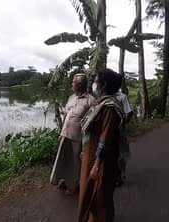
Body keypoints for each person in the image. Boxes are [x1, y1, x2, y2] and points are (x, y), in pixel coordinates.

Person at [78, 69, 125, 222]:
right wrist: (84, 151)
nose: (93, 84)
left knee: (100, 197)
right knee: (89, 194)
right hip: (90, 156)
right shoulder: (100, 104)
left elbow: (105, 139)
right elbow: (90, 133)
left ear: (103, 85)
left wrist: (96, 165)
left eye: (96, 81)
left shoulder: (110, 108)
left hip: (102, 161)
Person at [50, 73, 95, 195]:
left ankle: (73, 186)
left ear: (80, 85)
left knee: (75, 163)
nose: (72, 84)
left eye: (73, 82)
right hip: (65, 134)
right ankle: (63, 180)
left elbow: (92, 121)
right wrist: (61, 131)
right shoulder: (71, 98)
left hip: (78, 138)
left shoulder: (90, 100)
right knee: (63, 159)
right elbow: (65, 115)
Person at [114, 88, 133, 187]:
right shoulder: (104, 96)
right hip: (108, 131)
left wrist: (123, 123)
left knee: (120, 154)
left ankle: (120, 175)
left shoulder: (122, 97)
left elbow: (129, 112)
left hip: (119, 130)